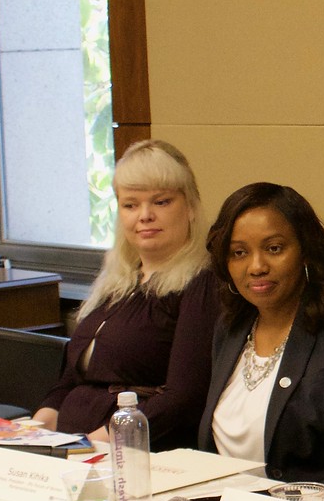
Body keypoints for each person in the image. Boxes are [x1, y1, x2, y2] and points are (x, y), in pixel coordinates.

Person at [197, 183, 324, 485]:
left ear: (305, 252)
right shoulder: (230, 330)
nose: (256, 266)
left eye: (274, 248)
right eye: (239, 253)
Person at [34, 140, 215, 448]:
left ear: (191, 207)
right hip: (74, 443)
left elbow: (183, 399)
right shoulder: (116, 281)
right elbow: (72, 377)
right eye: (130, 205)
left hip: (135, 450)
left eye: (161, 202)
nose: (144, 215)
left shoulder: (202, 286)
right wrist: (35, 429)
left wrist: (98, 442)